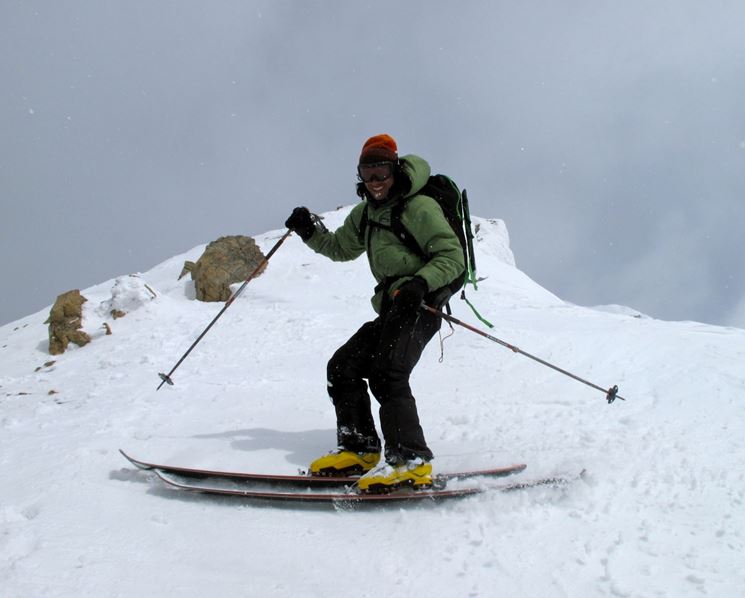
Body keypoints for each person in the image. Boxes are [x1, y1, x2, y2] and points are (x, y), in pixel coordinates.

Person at [284, 134, 464, 492]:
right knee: (342, 367)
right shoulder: (364, 214)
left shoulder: (420, 208)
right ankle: (359, 448)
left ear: (395, 170)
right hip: (391, 308)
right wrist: (309, 232)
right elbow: (339, 248)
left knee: (387, 373)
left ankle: (411, 461)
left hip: (419, 305)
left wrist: (419, 284)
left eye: (382, 172)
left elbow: (452, 256)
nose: (376, 181)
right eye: (368, 174)